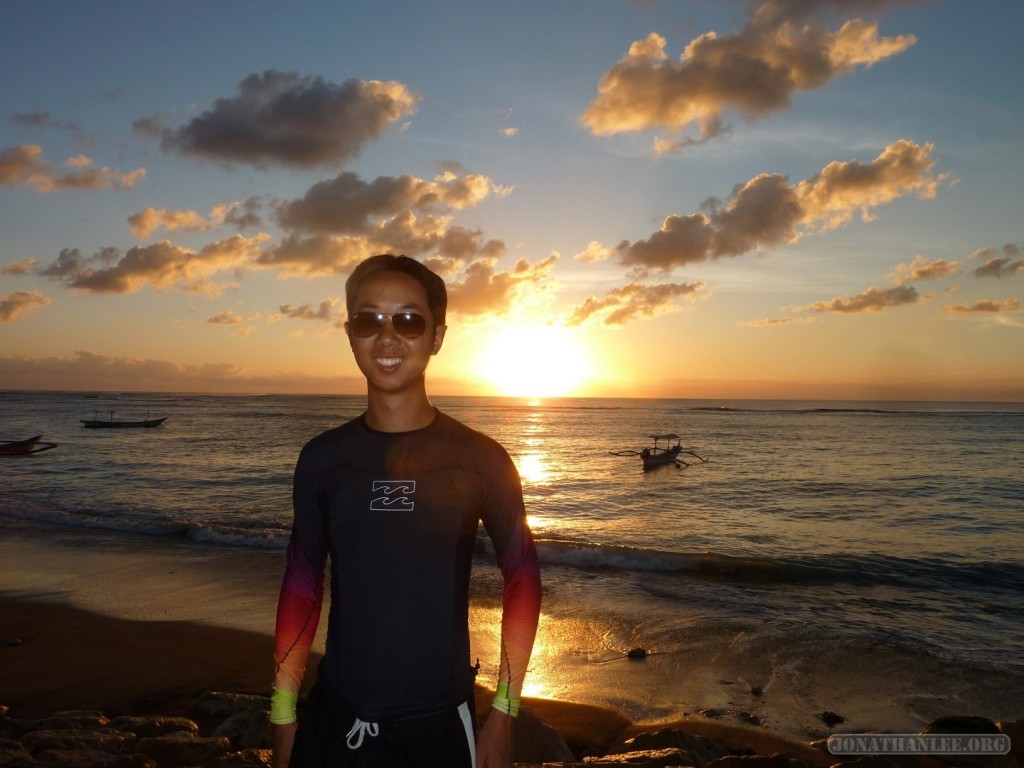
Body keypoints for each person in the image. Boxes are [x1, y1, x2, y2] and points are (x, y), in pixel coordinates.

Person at [270, 254, 542, 768]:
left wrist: (504, 714)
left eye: (409, 320)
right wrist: (283, 716)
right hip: (335, 718)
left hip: (439, 726)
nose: (387, 337)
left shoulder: (482, 459)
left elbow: (523, 577)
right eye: (368, 320)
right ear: (349, 332)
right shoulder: (323, 460)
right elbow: (302, 585)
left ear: (437, 335)